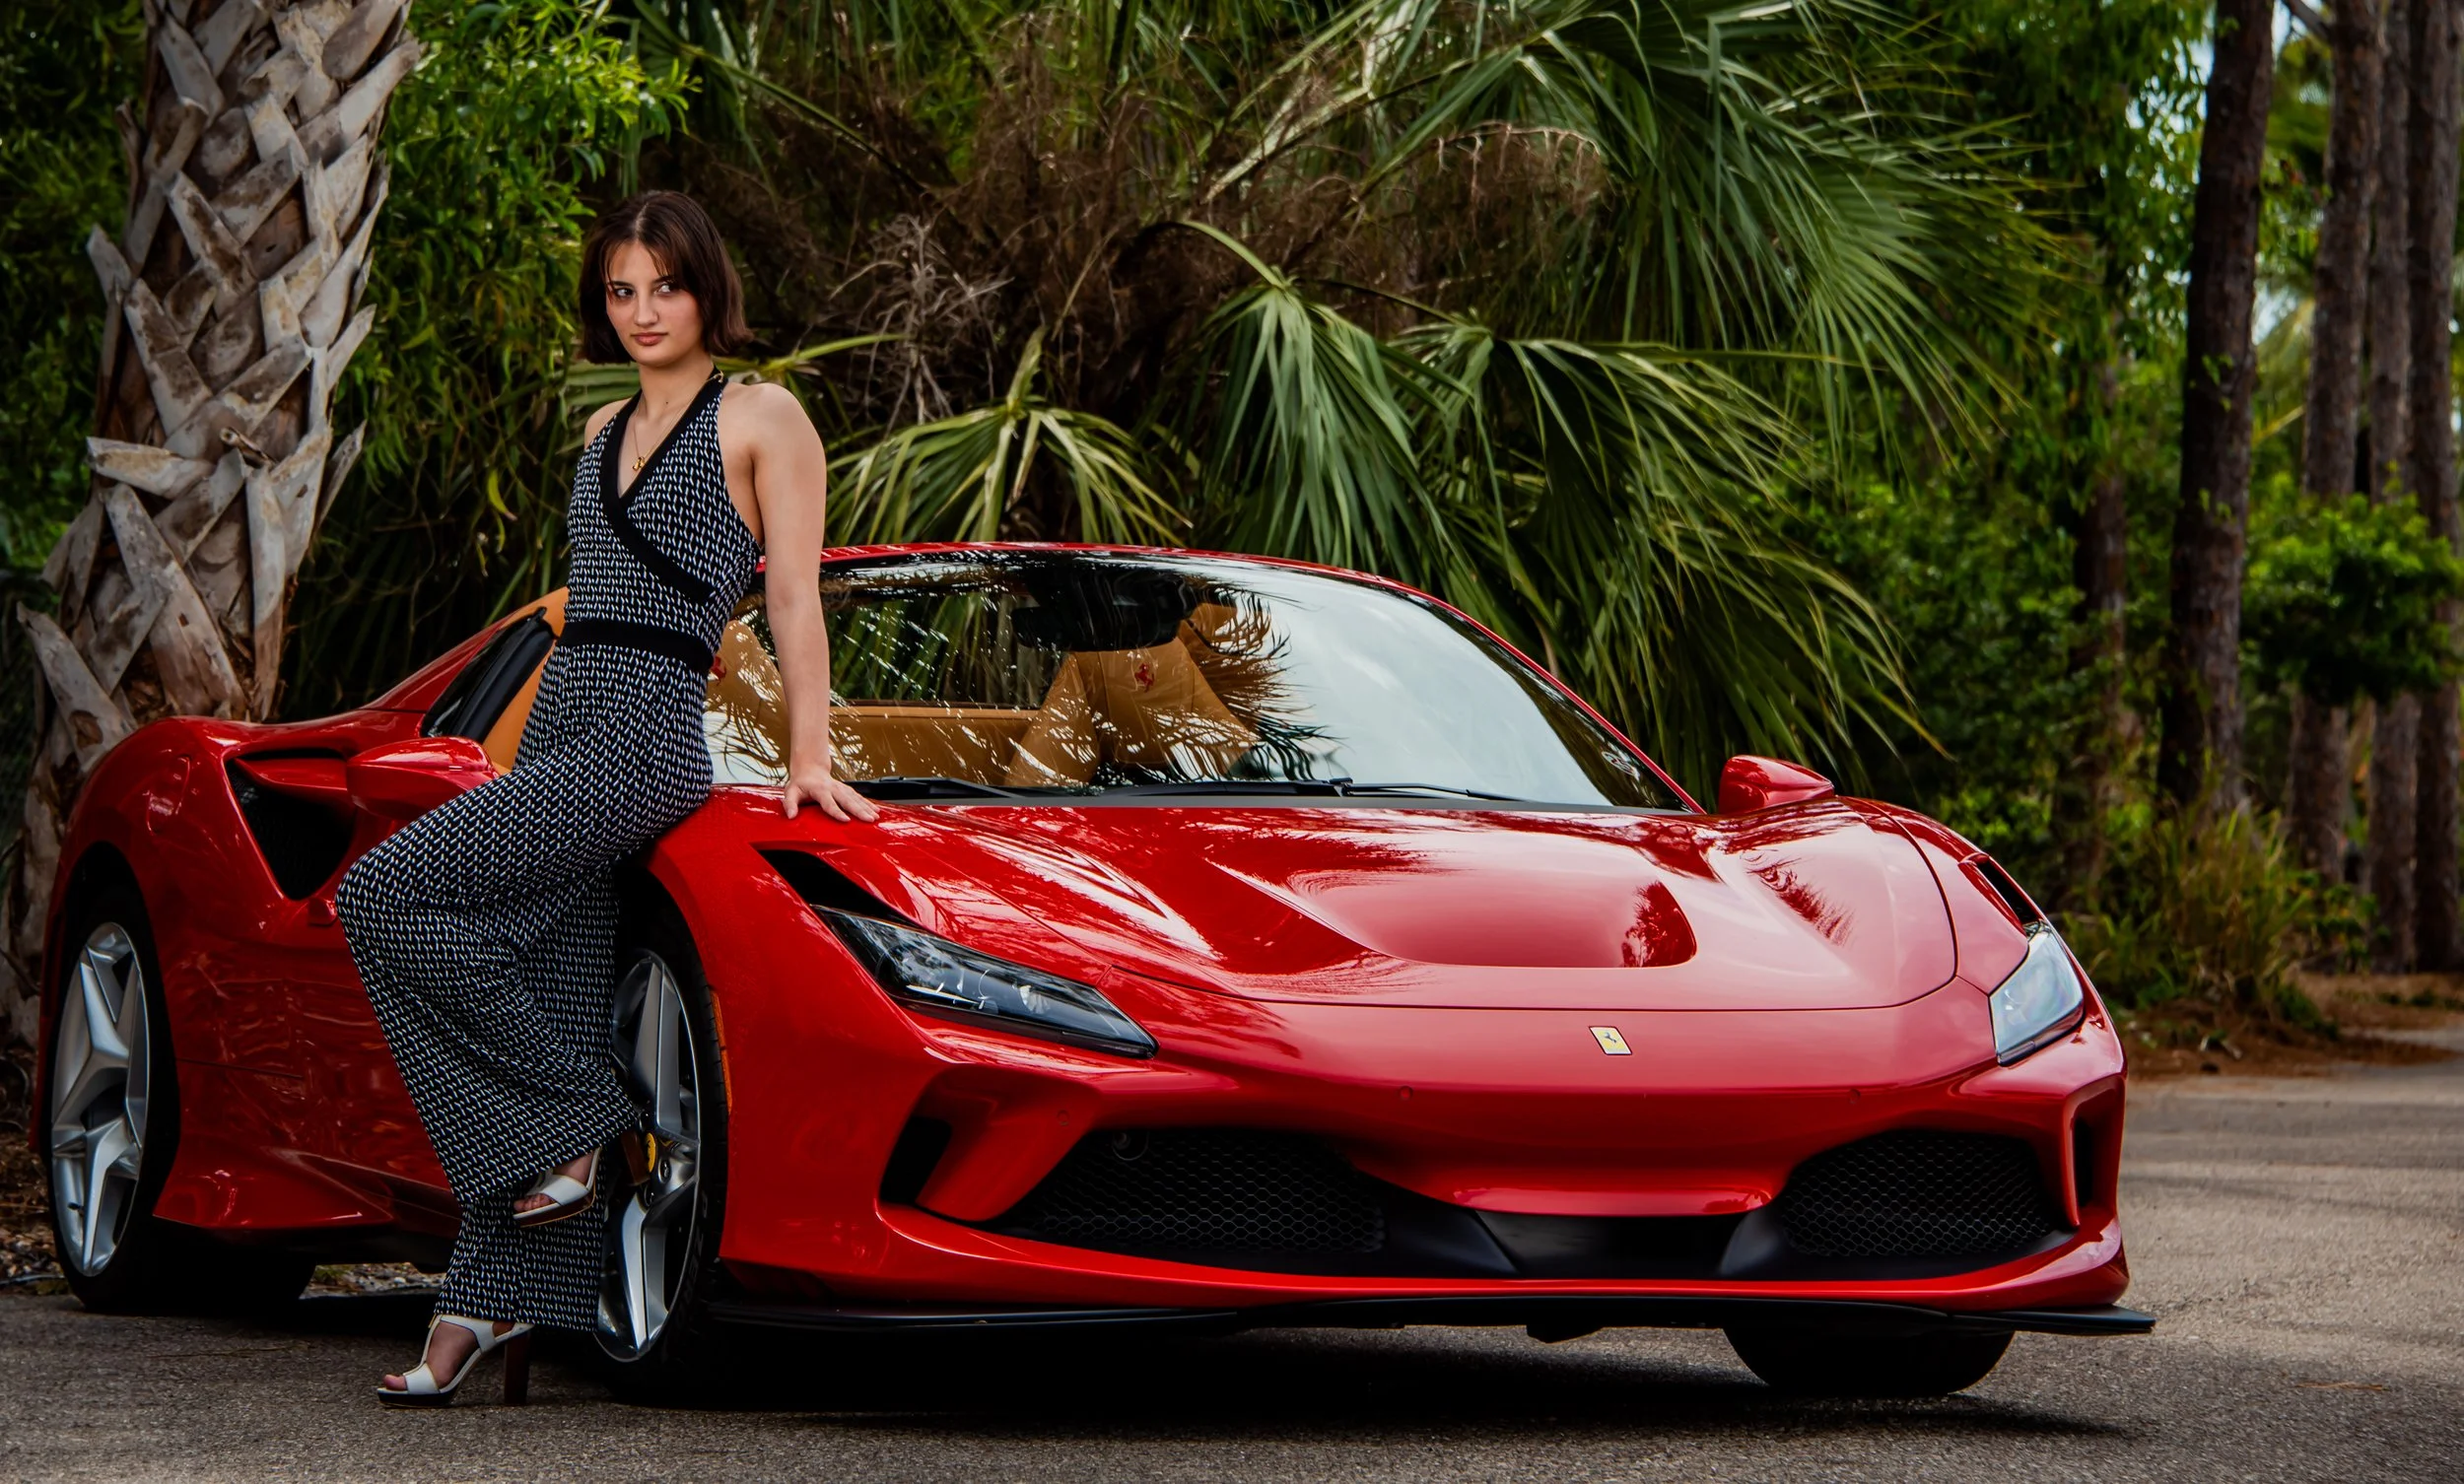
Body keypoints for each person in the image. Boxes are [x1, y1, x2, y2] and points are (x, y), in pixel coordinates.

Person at [335, 190, 879, 1407]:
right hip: (564, 717)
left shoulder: (762, 415)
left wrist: (806, 751)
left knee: (384, 897)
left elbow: (792, 597)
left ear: (706, 290)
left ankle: (573, 1128)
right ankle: (482, 1307)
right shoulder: (597, 432)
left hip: (643, 736)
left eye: (664, 287)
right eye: (621, 291)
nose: (641, 312)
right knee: (535, 982)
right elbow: (580, 604)